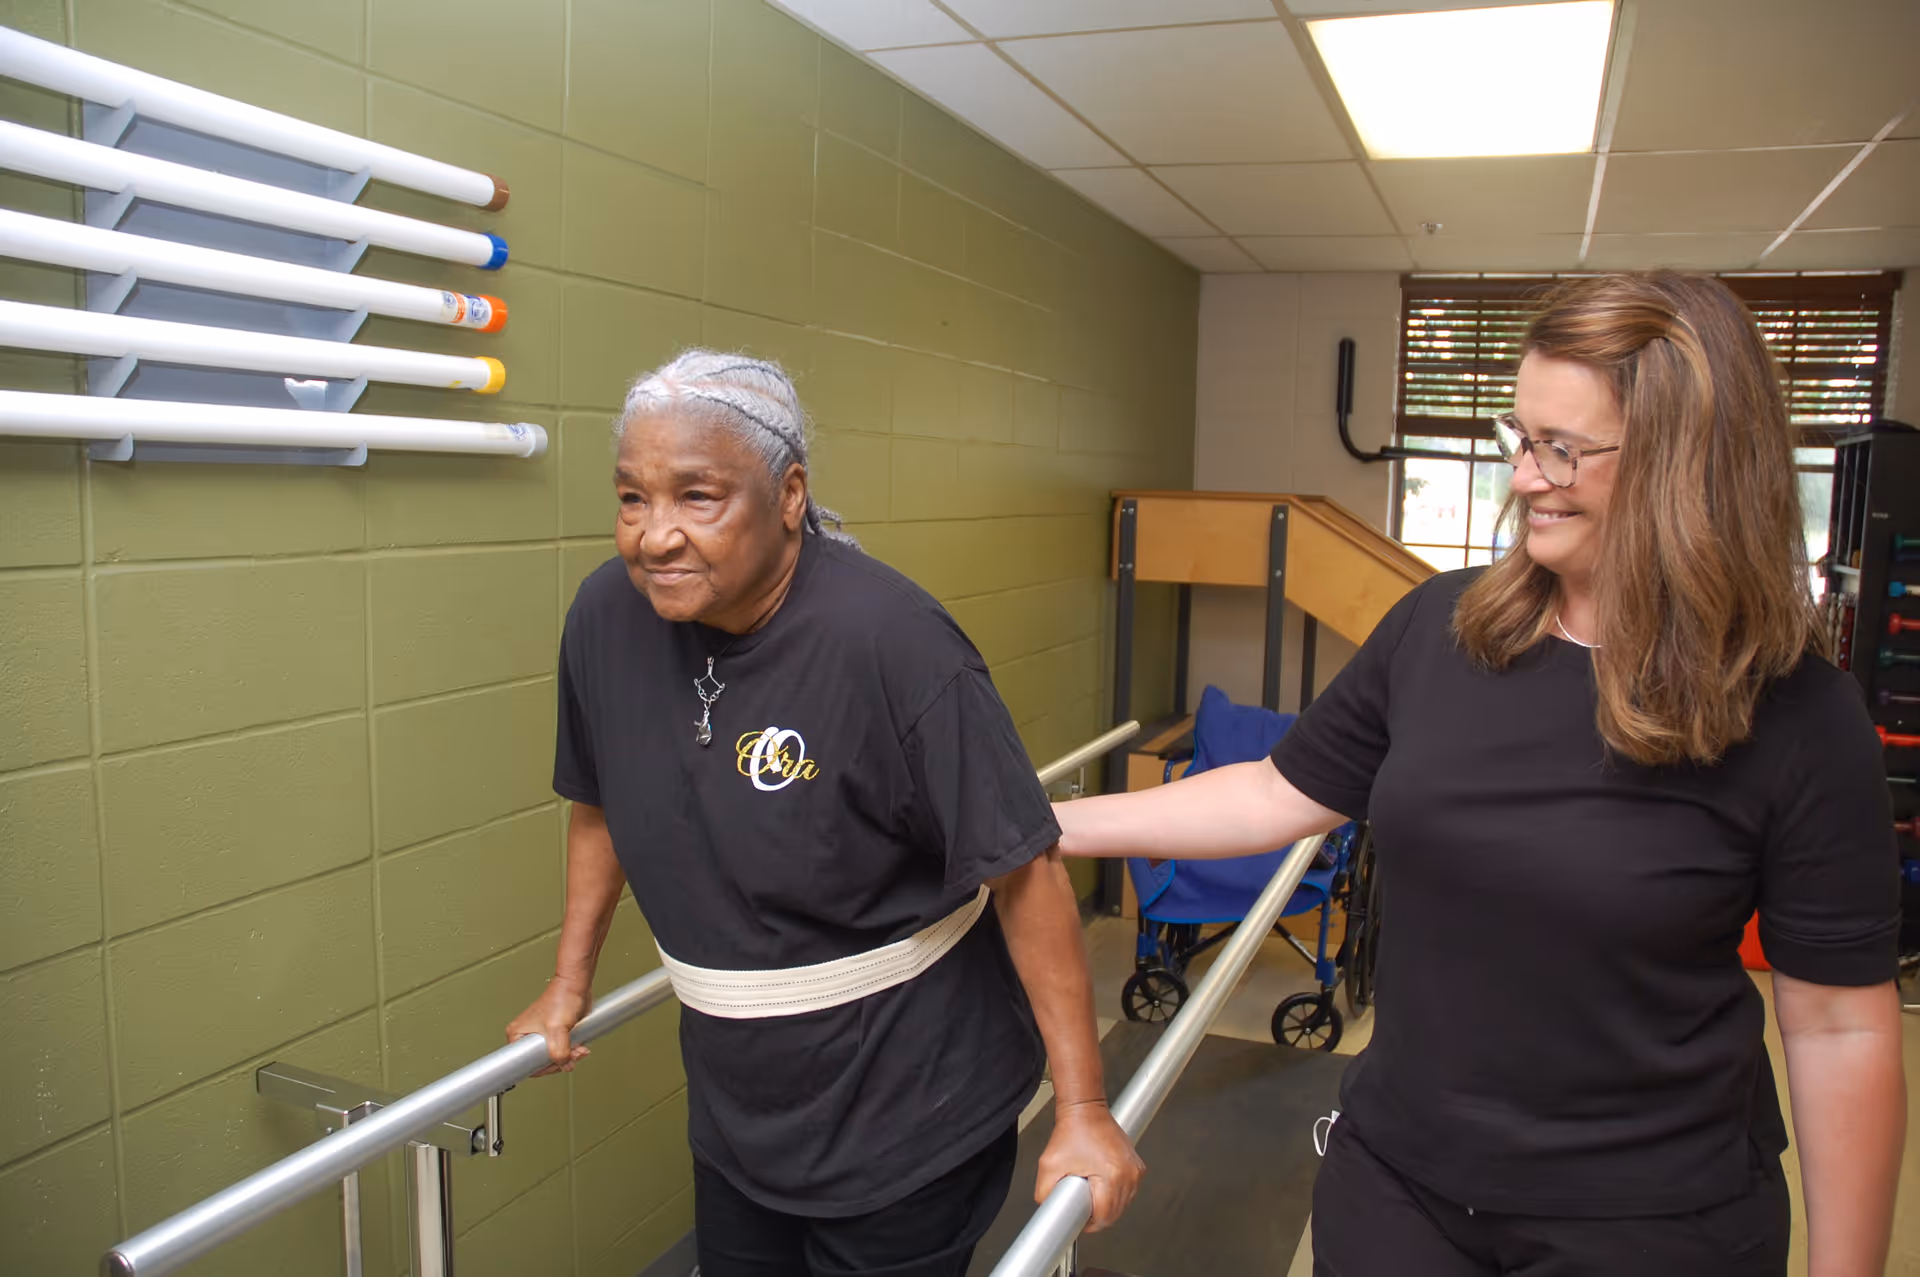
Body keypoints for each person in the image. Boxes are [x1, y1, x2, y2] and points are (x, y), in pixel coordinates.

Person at [1053, 273, 1905, 1276]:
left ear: (1687, 469)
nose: (1527, 477)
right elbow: (1275, 791)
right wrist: (1046, 821)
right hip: (1403, 1187)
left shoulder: (1799, 714)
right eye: (1522, 437)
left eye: (1565, 449)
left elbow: (1842, 1027)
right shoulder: (1443, 626)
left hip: (1652, 1220)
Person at [506, 351, 1143, 1277]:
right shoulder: (608, 615)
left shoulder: (896, 643)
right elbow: (599, 801)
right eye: (633, 499)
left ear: (790, 493)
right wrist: (570, 982)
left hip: (910, 1104)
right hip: (740, 1107)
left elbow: (1023, 867)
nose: (655, 536)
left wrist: (1082, 1109)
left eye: (698, 496)